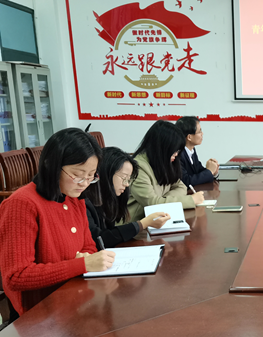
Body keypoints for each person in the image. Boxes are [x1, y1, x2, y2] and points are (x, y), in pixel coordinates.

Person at [0, 128, 115, 316]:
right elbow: (16, 276)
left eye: (91, 176)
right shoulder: (22, 204)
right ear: (51, 166)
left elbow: (88, 245)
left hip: (76, 299)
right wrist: (82, 265)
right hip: (40, 314)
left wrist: (86, 258)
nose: (84, 183)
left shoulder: (74, 197)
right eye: (78, 175)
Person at [84, 147, 172, 250]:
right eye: (124, 178)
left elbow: (109, 232)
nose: (126, 184)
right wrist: (143, 224)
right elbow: (99, 239)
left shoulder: (108, 200)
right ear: (106, 173)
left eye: (128, 180)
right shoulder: (84, 202)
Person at [126, 120, 205, 222]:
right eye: (174, 150)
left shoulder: (165, 162)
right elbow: (153, 204)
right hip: (136, 225)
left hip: (158, 220)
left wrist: (163, 200)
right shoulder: (138, 168)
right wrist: (191, 200)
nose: (176, 154)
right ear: (162, 148)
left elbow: (181, 187)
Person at [175, 116, 219, 186]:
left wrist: (214, 172)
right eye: (199, 131)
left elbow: (198, 170)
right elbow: (186, 181)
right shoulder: (178, 154)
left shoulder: (192, 150)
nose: (202, 133)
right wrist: (209, 171)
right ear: (189, 137)